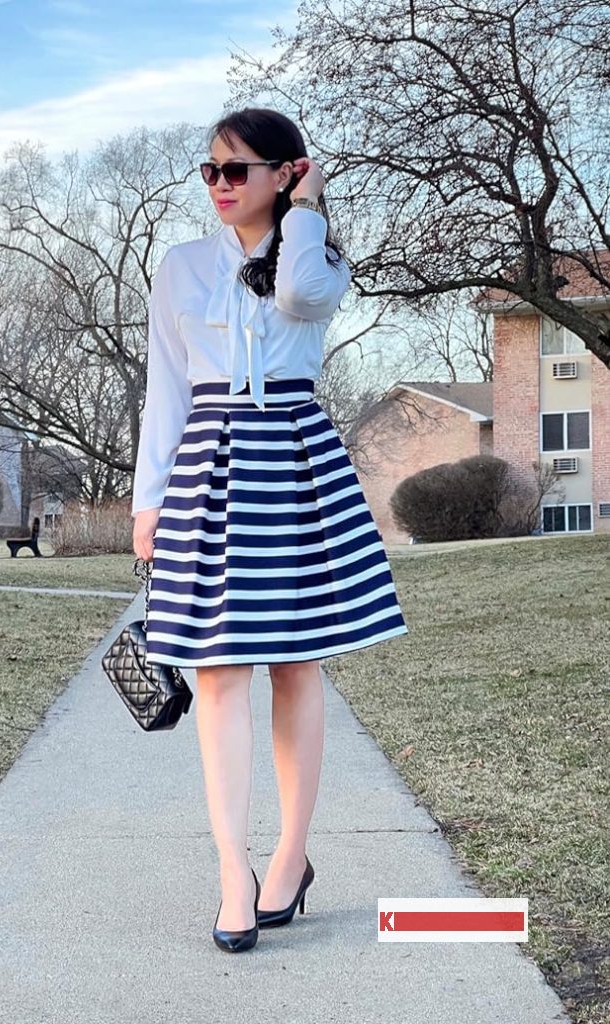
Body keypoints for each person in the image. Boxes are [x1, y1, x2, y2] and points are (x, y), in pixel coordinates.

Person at [131, 107, 409, 953]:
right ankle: (230, 871)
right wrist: (148, 501)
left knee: (293, 664)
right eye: (210, 170)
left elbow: (295, 296)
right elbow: (165, 392)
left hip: (293, 463)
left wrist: (308, 204)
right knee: (216, 675)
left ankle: (290, 855)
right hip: (206, 469)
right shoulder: (179, 267)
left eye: (237, 170)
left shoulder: (317, 258)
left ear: (285, 172)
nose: (218, 185)